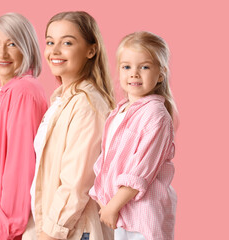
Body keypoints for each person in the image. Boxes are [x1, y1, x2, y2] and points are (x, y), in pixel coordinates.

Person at [23, 11, 115, 240]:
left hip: (73, 232)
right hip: (53, 229)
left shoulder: (87, 105)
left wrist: (49, 234)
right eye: (50, 42)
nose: (54, 50)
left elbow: (76, 184)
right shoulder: (60, 101)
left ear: (91, 50)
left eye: (67, 42)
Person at [89, 31, 178, 240]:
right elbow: (106, 161)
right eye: (126, 66)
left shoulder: (156, 114)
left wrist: (113, 206)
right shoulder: (118, 112)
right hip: (120, 212)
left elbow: (141, 170)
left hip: (143, 216)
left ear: (161, 74)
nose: (134, 73)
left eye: (144, 67)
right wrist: (103, 199)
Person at [0, 13, 48, 240]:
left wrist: (4, 229)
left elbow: (21, 167)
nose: (1, 53)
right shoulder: (7, 91)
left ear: (26, 47)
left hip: (2, 213)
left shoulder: (22, 92)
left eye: (12, 44)